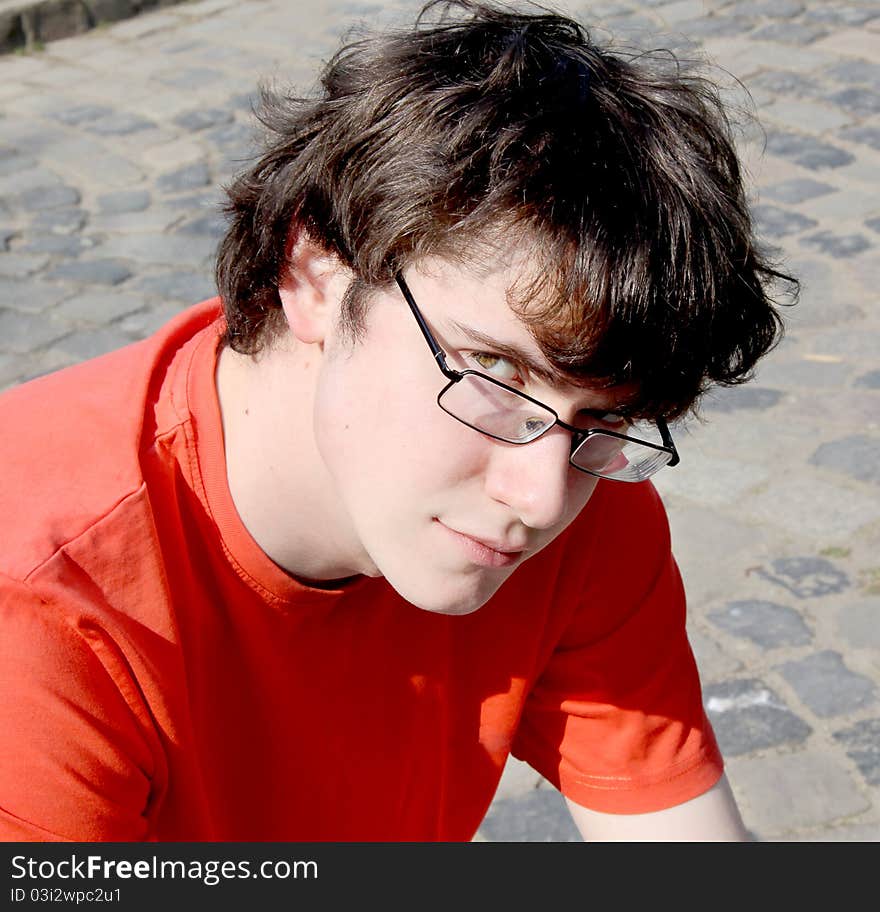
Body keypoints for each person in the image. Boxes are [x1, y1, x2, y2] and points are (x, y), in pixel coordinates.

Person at [0, 0, 794, 842]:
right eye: (494, 371)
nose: (537, 495)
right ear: (313, 272)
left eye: (603, 416)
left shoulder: (571, 476)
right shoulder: (42, 616)